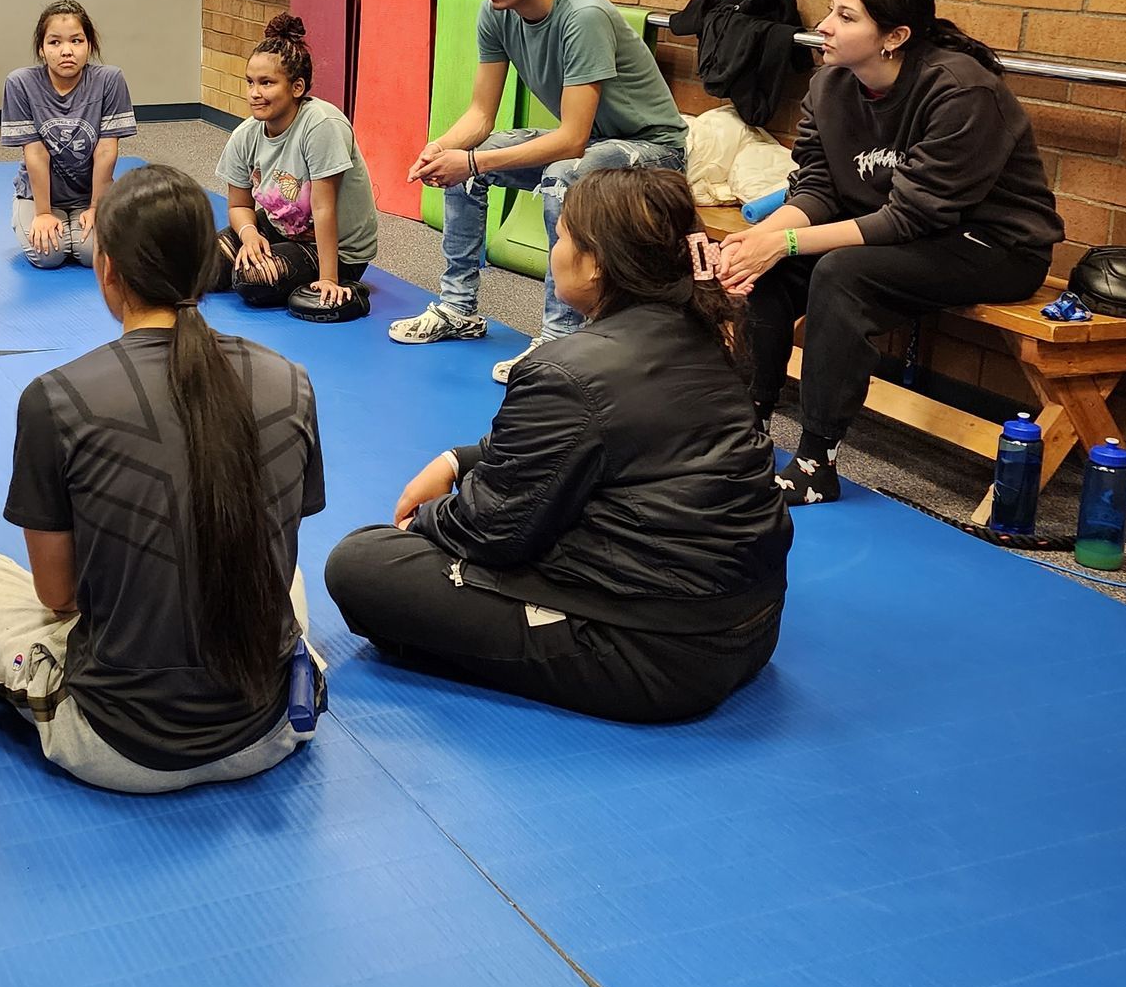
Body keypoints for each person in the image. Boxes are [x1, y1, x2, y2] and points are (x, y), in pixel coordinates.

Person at [327, 166, 789, 725]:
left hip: (657, 657)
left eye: (564, 235)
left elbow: (489, 530)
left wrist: (424, 526)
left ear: (595, 264)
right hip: (752, 626)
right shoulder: (705, 329)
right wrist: (460, 460)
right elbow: (608, 442)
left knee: (363, 564)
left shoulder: (568, 369)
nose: (556, 246)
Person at [0, 163, 325, 792]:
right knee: (283, 573)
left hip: (122, 746)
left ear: (107, 270)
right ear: (205, 266)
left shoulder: (55, 398)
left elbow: (58, 596)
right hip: (273, 727)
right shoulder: (290, 379)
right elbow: (284, 533)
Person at [716, 0, 1062, 509]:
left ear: (895, 37)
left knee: (841, 274)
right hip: (896, 232)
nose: (824, 25)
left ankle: (815, 462)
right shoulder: (828, 87)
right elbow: (816, 190)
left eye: (844, 16)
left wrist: (780, 243)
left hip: (993, 246)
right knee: (763, 266)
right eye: (831, 10)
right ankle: (744, 429)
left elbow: (912, 218)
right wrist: (755, 243)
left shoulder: (961, 91)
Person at [391, 0, 687, 375]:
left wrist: (472, 160)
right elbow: (481, 116)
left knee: (560, 179)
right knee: (465, 172)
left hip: (652, 150)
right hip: (591, 143)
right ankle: (458, 307)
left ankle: (557, 337)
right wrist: (441, 149)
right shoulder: (497, 13)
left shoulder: (583, 15)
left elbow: (570, 141)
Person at [208, 13, 377, 319]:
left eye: (267, 83)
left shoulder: (321, 125)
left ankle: (351, 286)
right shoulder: (245, 135)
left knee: (251, 281)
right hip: (280, 228)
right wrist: (249, 236)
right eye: (250, 83)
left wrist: (328, 280)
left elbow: (324, 209)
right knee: (204, 265)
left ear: (297, 87)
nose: (255, 93)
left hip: (338, 250)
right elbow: (238, 205)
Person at [1, 0, 135, 268]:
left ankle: (82, 223)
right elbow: (36, 152)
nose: (66, 51)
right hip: (39, 194)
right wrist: (43, 213)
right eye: (54, 42)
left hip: (90, 193)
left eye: (76, 41)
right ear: (41, 49)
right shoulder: (21, 83)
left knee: (91, 256)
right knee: (48, 256)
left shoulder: (110, 80)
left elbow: (106, 150)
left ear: (89, 45)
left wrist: (97, 208)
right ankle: (36, 216)